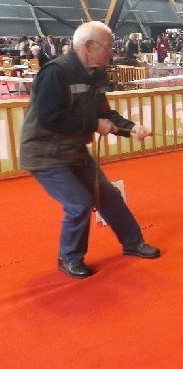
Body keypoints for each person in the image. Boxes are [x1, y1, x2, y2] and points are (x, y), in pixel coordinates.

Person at [19, 21, 160, 279]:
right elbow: (51, 118)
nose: (113, 51)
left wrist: (131, 128)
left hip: (73, 150)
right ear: (88, 46)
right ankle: (69, 258)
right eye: (108, 46)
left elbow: (105, 113)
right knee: (79, 203)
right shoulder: (55, 72)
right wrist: (95, 124)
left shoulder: (98, 75)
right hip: (44, 154)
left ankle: (133, 242)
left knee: (108, 195)